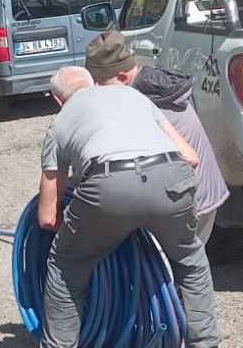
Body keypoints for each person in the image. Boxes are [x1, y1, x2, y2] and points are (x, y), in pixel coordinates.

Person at [31, 64, 222, 348]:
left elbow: (47, 217)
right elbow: (190, 157)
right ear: (95, 85)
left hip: (108, 185)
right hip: (171, 177)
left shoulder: (60, 122)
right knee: (189, 257)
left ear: (57, 100)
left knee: (65, 266)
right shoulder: (133, 97)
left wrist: (93, 226)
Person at [85, 31, 229, 244]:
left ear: (123, 77)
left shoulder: (140, 100)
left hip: (187, 202)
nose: (96, 89)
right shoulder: (156, 83)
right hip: (204, 192)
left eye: (100, 83)